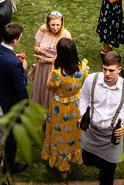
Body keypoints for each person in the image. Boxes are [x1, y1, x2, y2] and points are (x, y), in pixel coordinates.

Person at [79, 51, 124, 185]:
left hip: (112, 136)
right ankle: (102, 162)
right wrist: (82, 115)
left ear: (119, 69)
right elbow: (83, 99)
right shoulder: (91, 80)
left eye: (111, 70)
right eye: (104, 69)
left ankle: (106, 168)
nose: (107, 74)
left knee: (107, 175)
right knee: (87, 161)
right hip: (91, 132)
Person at [42, 38, 89, 179]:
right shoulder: (84, 67)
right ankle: (72, 158)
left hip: (60, 108)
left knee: (60, 134)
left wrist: (52, 68)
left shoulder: (58, 74)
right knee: (73, 132)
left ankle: (62, 167)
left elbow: (49, 87)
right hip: (76, 104)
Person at [0, 23, 28, 174]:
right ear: (15, 41)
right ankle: (10, 166)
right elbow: (20, 87)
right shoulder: (15, 64)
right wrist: (23, 69)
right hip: (10, 103)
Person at [31, 10, 71, 109]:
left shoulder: (66, 35)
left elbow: (65, 58)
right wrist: (39, 50)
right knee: (40, 90)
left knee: (50, 92)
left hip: (55, 68)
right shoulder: (42, 30)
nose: (55, 27)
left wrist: (47, 60)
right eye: (52, 25)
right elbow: (35, 47)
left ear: (62, 23)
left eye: (58, 25)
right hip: (41, 66)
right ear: (48, 23)